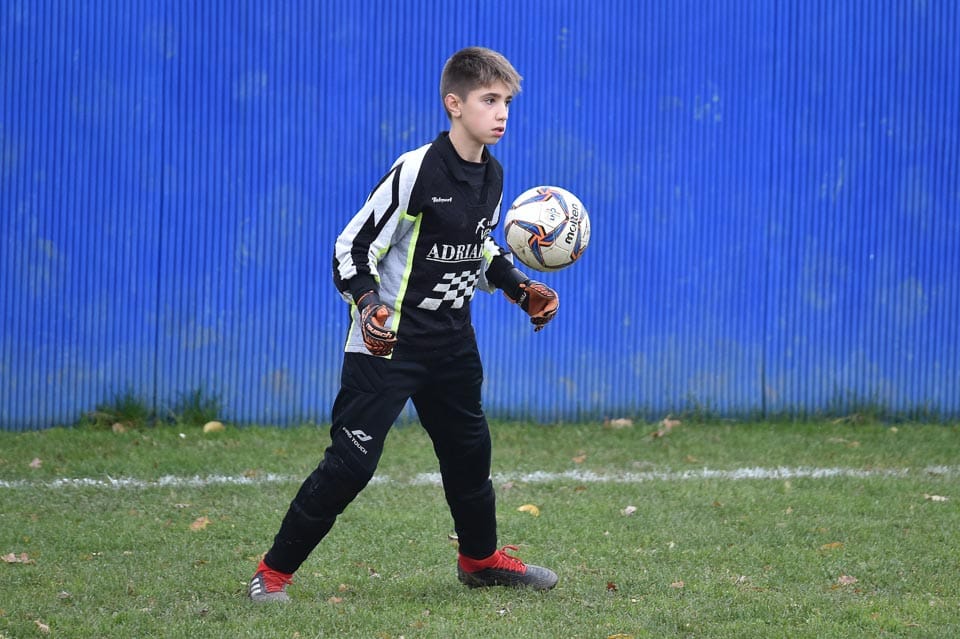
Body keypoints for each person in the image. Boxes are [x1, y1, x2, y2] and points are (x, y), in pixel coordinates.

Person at [248, 46, 560, 603]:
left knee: (470, 457)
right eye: (489, 100)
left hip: (453, 343)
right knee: (350, 465)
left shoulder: (492, 176)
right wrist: (368, 305)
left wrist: (519, 288)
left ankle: (480, 560)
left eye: (507, 103)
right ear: (454, 104)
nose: (501, 113)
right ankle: (271, 575)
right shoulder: (417, 170)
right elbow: (352, 247)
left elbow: (479, 247)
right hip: (388, 344)